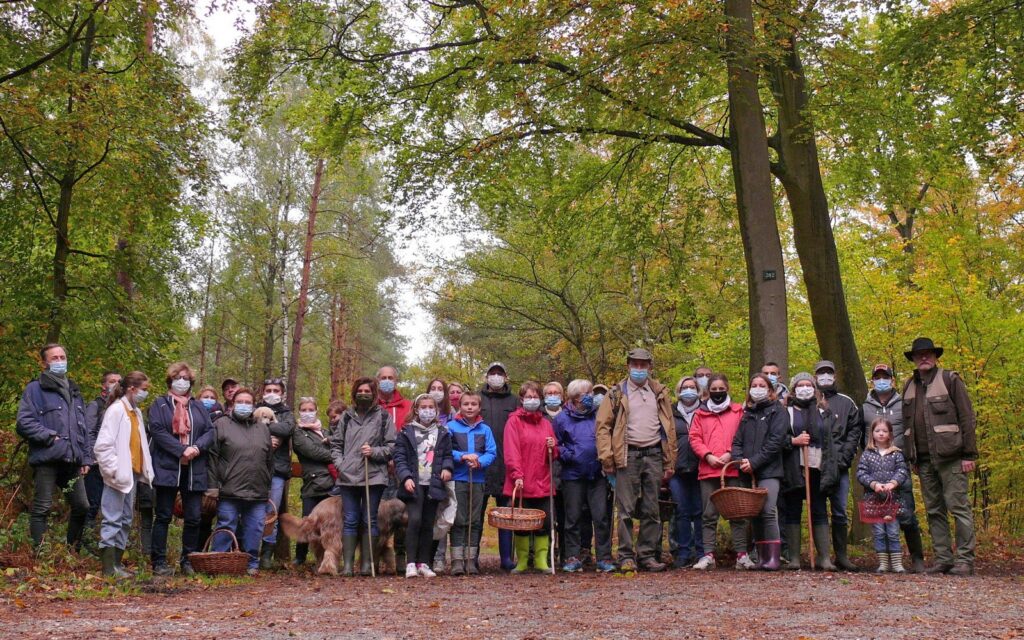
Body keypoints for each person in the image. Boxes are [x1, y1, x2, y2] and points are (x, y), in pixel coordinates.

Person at [595, 348, 677, 573]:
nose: (639, 369)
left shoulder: (659, 392)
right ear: (628, 365)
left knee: (652, 509)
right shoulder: (616, 393)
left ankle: (647, 555)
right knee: (625, 510)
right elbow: (603, 428)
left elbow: (669, 428)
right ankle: (625, 555)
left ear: (650, 366)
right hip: (627, 455)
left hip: (654, 455)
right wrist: (607, 457)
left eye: (643, 365)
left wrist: (670, 461)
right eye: (635, 364)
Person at [901, 337, 977, 576]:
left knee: (959, 508)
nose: (924, 357)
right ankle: (943, 559)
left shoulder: (950, 380)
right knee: (934, 510)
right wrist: (911, 458)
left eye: (928, 353)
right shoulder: (908, 385)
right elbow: (907, 425)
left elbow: (967, 417)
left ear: (935, 356)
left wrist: (969, 454)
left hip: (952, 457)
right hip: (923, 461)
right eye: (919, 354)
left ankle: (965, 560)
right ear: (913, 358)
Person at [17, 344, 92, 551]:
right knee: (42, 507)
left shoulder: (74, 391)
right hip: (48, 458)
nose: (60, 361)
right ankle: (40, 556)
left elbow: (83, 428)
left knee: (82, 506)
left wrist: (86, 458)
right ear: (45, 363)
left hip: (73, 460)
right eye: (55, 358)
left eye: (62, 357)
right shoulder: (35, 389)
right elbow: (24, 422)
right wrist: (50, 437)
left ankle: (71, 552)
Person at [147, 362, 215, 576]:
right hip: (168, 466)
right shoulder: (159, 404)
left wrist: (196, 447)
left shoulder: (197, 407)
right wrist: (180, 450)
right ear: (170, 380)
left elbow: (210, 431)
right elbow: (157, 430)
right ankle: (158, 562)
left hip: (194, 469)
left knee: (194, 517)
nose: (182, 381)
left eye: (186, 378)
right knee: (164, 515)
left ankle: (187, 560)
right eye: (178, 377)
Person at [330, 377, 397, 577]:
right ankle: (348, 565)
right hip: (348, 476)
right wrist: (341, 464)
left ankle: (368, 564)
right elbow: (335, 444)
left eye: (368, 391)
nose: (364, 394)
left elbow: (392, 446)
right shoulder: (347, 417)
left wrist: (375, 452)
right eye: (360, 391)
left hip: (374, 475)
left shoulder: (383, 417)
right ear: (354, 393)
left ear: (374, 393)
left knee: (370, 520)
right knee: (350, 519)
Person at [862, 364, 926, 573]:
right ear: (872, 380)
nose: (882, 380)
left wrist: (913, 456)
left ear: (892, 379)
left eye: (885, 377)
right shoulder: (865, 407)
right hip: (874, 470)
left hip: (899, 467)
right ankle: (884, 561)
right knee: (879, 520)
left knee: (906, 514)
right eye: (877, 377)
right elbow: (858, 433)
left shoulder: (903, 404)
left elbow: (914, 428)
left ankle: (916, 558)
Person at [93, 371, 154, 578]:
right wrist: (113, 471)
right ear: (132, 389)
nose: (146, 393)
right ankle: (108, 569)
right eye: (144, 389)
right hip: (118, 474)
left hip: (133, 474)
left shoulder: (136, 412)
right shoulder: (116, 410)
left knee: (126, 519)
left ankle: (117, 564)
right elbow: (103, 446)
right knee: (112, 519)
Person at [208, 388, 274, 575]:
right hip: (229, 488)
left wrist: (267, 486)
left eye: (248, 402)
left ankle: (251, 563)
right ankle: (219, 562)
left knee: (255, 528)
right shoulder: (221, 424)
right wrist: (213, 486)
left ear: (254, 406)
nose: (244, 405)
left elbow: (270, 460)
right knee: (226, 524)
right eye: (240, 401)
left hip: (257, 490)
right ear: (233, 403)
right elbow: (212, 457)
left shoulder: (262, 428)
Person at [779, 373, 840, 571]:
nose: (804, 388)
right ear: (793, 388)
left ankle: (824, 558)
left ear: (814, 389)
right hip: (793, 466)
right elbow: (777, 438)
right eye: (800, 385)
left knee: (819, 509)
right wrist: (793, 441)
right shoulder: (785, 412)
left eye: (808, 385)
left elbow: (831, 439)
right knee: (793, 509)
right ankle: (795, 558)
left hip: (818, 466)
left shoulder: (823, 411)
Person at [553, 379, 614, 573]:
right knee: (573, 518)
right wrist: (568, 455)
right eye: (584, 394)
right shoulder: (561, 419)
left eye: (590, 392)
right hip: (572, 475)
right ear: (574, 398)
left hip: (597, 474)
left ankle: (604, 557)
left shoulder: (598, 415)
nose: (590, 397)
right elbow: (555, 444)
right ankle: (572, 556)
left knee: (601, 517)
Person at [688, 374, 748, 570]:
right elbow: (694, 438)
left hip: (732, 469)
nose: (717, 392)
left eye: (721, 388)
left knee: (737, 513)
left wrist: (731, 454)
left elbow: (743, 435)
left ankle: (741, 554)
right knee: (708, 514)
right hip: (708, 470)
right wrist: (707, 455)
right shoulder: (700, 413)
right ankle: (708, 555)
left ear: (727, 388)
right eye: (713, 389)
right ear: (708, 391)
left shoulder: (738, 411)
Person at [730, 374, 789, 570]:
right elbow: (737, 441)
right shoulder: (747, 413)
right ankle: (761, 556)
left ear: (770, 389)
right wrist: (740, 462)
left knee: (768, 510)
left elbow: (775, 442)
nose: (757, 388)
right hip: (747, 471)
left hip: (769, 471)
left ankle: (774, 557)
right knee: (753, 512)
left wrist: (754, 462)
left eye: (761, 385)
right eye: (754, 385)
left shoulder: (778, 411)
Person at [394, 394, 454, 578]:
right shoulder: (406, 432)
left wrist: (447, 468)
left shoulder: (442, 432)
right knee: (415, 521)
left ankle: (424, 562)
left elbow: (447, 455)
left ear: (436, 410)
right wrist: (405, 477)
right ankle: (410, 562)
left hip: (434, 483)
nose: (427, 410)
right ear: (416, 410)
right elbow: (400, 457)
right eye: (423, 407)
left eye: (431, 407)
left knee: (428, 524)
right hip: (414, 484)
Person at [812, 359, 862, 571]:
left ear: (834, 376)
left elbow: (854, 432)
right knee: (818, 510)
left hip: (839, 466)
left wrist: (843, 459)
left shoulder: (846, 402)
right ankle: (824, 557)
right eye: (821, 373)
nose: (825, 377)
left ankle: (842, 555)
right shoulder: (809, 400)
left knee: (840, 510)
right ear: (815, 377)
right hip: (815, 467)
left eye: (828, 373)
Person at [504, 381, 559, 574]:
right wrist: (517, 475)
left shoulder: (545, 423)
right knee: (521, 522)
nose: (532, 400)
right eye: (528, 397)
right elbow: (512, 450)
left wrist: (553, 447)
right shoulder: (514, 422)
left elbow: (553, 454)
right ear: (521, 399)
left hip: (543, 480)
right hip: (521, 480)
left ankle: (541, 561)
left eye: (535, 397)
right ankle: (522, 561)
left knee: (544, 521)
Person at [447, 391, 497, 575]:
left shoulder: (485, 429)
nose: (469, 407)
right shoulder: (451, 427)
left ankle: (470, 559)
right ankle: (457, 560)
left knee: (474, 520)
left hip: (477, 479)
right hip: (458, 479)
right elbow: (446, 450)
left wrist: (480, 461)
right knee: (459, 519)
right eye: (466, 404)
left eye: (473, 404)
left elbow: (491, 452)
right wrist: (462, 456)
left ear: (479, 407)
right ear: (460, 406)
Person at [479, 362, 520, 571]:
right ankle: (471, 558)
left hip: (506, 465)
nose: (496, 377)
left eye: (499, 373)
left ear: (506, 377)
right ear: (487, 377)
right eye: (492, 373)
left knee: (507, 515)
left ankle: (507, 558)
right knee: (476, 514)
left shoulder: (515, 401)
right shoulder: (478, 399)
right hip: (480, 466)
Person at [857, 417, 910, 573]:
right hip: (873, 500)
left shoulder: (896, 454)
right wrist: (873, 484)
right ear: (872, 433)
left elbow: (902, 471)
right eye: (877, 431)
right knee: (879, 532)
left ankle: (897, 563)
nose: (881, 434)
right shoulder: (867, 454)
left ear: (890, 434)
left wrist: (893, 483)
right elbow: (861, 473)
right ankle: (883, 563)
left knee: (893, 531)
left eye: (884, 431)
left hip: (893, 500)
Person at [255, 377, 296, 570]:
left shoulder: (287, 413)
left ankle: (267, 555)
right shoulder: (253, 408)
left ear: (282, 393)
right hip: (253, 468)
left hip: (277, 470)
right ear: (263, 392)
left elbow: (287, 428)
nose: (272, 393)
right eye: (268, 389)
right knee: (252, 509)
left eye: (276, 390)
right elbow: (247, 428)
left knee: (271, 511)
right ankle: (249, 551)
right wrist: (267, 434)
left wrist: (263, 424)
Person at [292, 397, 337, 567]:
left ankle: (328, 556)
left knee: (331, 523)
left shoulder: (325, 432)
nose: (307, 413)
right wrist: (335, 455)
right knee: (308, 521)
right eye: (303, 409)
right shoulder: (298, 433)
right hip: (313, 483)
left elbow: (338, 444)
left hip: (332, 483)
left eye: (310, 409)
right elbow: (312, 452)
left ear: (316, 410)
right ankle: (300, 557)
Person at [670, 376, 704, 568]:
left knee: (700, 511)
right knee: (681, 511)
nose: (689, 390)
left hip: (701, 468)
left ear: (698, 390)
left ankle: (701, 551)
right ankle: (683, 551)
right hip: (678, 469)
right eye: (685, 387)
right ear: (679, 391)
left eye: (692, 387)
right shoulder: (671, 413)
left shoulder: (705, 410)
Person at [84, 371, 121, 535]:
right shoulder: (95, 405)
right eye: (113, 381)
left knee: (112, 507)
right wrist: (94, 457)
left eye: (120, 381)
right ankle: (81, 543)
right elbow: (88, 432)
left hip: (116, 465)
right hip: (97, 464)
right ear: (104, 385)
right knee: (92, 504)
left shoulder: (124, 408)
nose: (117, 383)